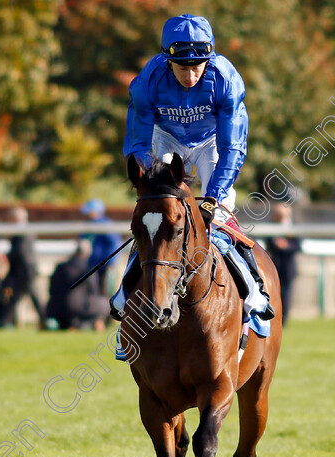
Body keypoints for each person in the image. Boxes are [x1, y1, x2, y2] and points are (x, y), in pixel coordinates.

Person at [114, 13, 274, 322]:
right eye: (183, 68)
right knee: (156, 222)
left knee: (222, 217)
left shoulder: (226, 79)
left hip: (211, 143)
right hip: (166, 139)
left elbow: (232, 148)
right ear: (167, 61)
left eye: (197, 67)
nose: (190, 78)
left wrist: (212, 199)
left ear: (208, 60)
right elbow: (137, 145)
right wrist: (151, 185)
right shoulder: (147, 81)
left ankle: (253, 290)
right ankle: (125, 298)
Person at [46, 240, 110, 331]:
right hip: (78, 308)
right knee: (106, 304)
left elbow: (51, 289)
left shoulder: (60, 267)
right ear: (87, 254)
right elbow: (94, 291)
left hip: (56, 309)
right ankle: (84, 324)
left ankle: (76, 324)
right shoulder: (88, 269)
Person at [0, 206, 45, 328]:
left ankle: (5, 321)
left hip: (24, 271)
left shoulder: (23, 232)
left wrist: (7, 257)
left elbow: (20, 252)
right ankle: (5, 321)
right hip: (24, 271)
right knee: (15, 297)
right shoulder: (26, 230)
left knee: (24, 297)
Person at [265, 204, 301, 324]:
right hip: (274, 266)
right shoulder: (271, 227)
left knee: (286, 295)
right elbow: (268, 243)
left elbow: (298, 245)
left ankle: (283, 319)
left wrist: (286, 246)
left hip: (288, 267)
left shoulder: (293, 227)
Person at [80, 198, 123, 296]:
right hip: (91, 265)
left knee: (103, 293)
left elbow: (115, 244)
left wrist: (111, 262)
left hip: (104, 267)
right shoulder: (89, 224)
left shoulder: (106, 224)